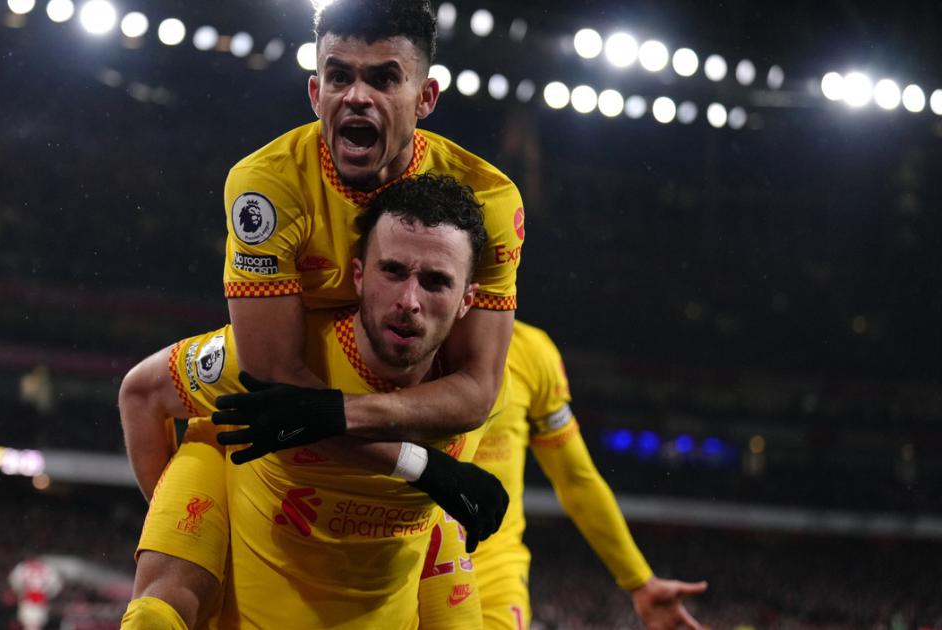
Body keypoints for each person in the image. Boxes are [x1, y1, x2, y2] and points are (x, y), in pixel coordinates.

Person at [121, 1, 525, 626]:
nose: (357, 95)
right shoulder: (267, 185)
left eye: (384, 78)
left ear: (426, 98)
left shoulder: (489, 201)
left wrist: (347, 420)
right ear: (315, 92)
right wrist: (422, 466)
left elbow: (476, 390)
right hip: (287, 390)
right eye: (339, 76)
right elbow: (277, 391)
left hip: (381, 437)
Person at [123, 174, 502, 629]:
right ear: (358, 276)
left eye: (436, 282)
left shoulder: (471, 398)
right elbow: (141, 394)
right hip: (245, 600)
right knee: (152, 620)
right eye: (392, 271)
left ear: (466, 301)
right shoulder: (272, 359)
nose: (409, 301)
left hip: (382, 601)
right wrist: (182, 524)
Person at [417, 320, 708, 630]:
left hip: (490, 574)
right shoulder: (401, 338)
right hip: (400, 561)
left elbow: (575, 480)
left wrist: (640, 580)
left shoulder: (531, 351)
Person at [9, 558, 63, 630]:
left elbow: (14, 581)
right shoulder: (48, 569)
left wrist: (20, 592)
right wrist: (48, 594)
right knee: (34, 623)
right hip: (38, 599)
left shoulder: (23, 567)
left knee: (31, 622)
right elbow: (56, 585)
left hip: (30, 599)